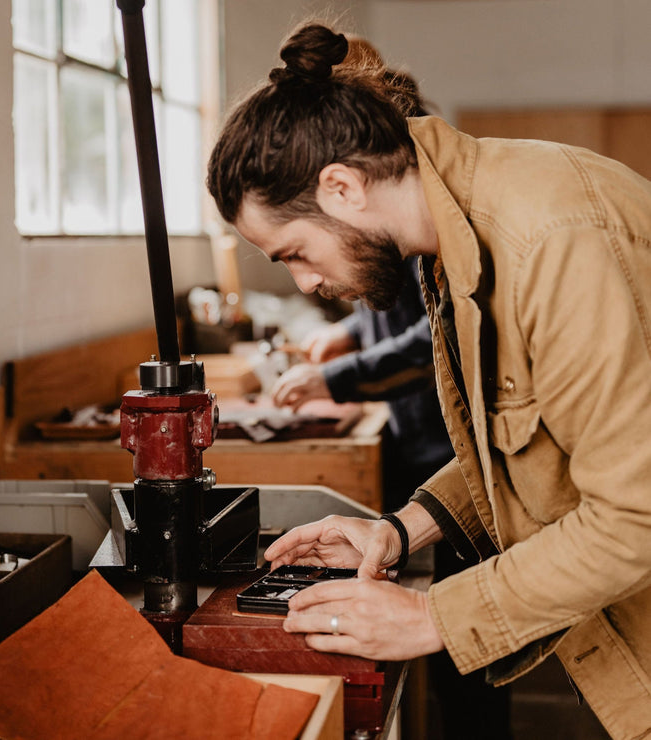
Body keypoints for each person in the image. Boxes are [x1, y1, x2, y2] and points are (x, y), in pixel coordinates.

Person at [206, 22, 651, 739]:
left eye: (294, 252)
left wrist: (430, 615)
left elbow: (636, 516)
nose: (309, 282)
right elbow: (522, 445)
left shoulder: (551, 240)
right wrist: (400, 530)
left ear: (342, 187)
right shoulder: (456, 239)